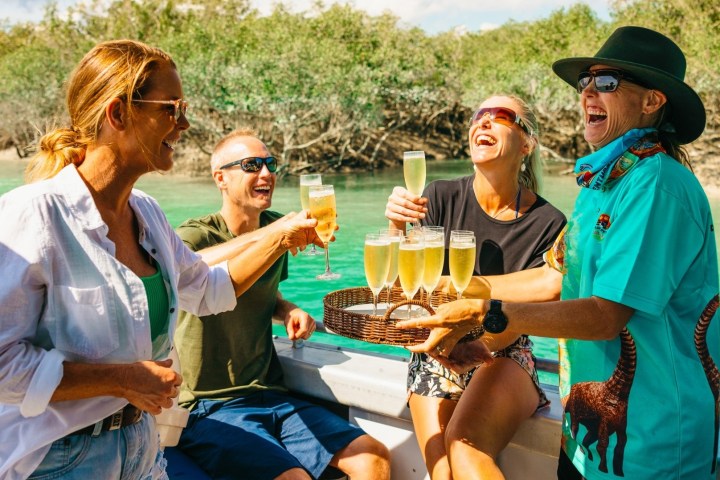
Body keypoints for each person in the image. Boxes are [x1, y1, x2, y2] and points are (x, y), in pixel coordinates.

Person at [397, 26, 720, 480]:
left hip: (656, 443)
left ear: (652, 101)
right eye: (585, 82)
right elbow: (552, 279)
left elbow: (606, 316)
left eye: (607, 83)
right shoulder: (602, 181)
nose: (588, 91)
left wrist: (492, 315)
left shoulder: (656, 184)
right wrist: (457, 297)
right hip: (587, 435)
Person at [0, 40, 320, 479]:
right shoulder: (33, 214)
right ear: (118, 115)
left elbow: (209, 290)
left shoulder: (145, 212)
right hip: (57, 459)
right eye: (171, 108)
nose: (184, 123)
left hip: (143, 448)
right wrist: (121, 379)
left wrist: (283, 237)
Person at [171, 129, 391, 480]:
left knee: (373, 458)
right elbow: (182, 270)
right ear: (221, 179)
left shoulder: (279, 227)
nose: (266, 173)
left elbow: (261, 293)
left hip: (271, 394)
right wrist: (272, 238)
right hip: (207, 406)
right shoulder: (198, 233)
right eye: (251, 165)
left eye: (270, 164)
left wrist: (286, 309)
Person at [385, 95, 566, 479]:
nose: (483, 122)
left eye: (499, 116)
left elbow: (538, 304)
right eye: (477, 116)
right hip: (435, 350)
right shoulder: (438, 196)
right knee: (444, 474)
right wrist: (396, 230)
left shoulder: (548, 222)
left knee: (466, 448)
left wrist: (465, 304)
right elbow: (406, 290)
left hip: (504, 350)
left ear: (527, 142)